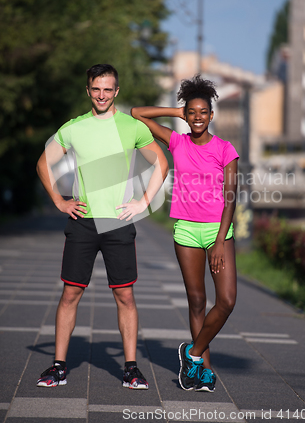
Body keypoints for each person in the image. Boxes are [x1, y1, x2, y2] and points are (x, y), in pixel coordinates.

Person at [36, 63, 168, 389]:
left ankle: (131, 368)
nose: (102, 95)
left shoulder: (131, 127)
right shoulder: (74, 128)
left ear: (116, 92)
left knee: (125, 296)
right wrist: (59, 200)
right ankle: (59, 365)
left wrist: (143, 202)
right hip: (82, 220)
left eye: (108, 89)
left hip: (118, 222)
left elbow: (161, 163)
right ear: (88, 91)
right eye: (96, 89)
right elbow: (43, 162)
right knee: (70, 294)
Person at [131, 74, 238, 393]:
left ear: (212, 114)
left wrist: (220, 240)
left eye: (203, 111)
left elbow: (231, 198)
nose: (197, 117)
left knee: (227, 301)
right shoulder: (177, 141)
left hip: (218, 231)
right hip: (186, 231)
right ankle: (202, 370)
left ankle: (191, 353)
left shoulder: (225, 149)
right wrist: (177, 112)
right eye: (191, 112)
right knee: (196, 301)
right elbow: (137, 112)